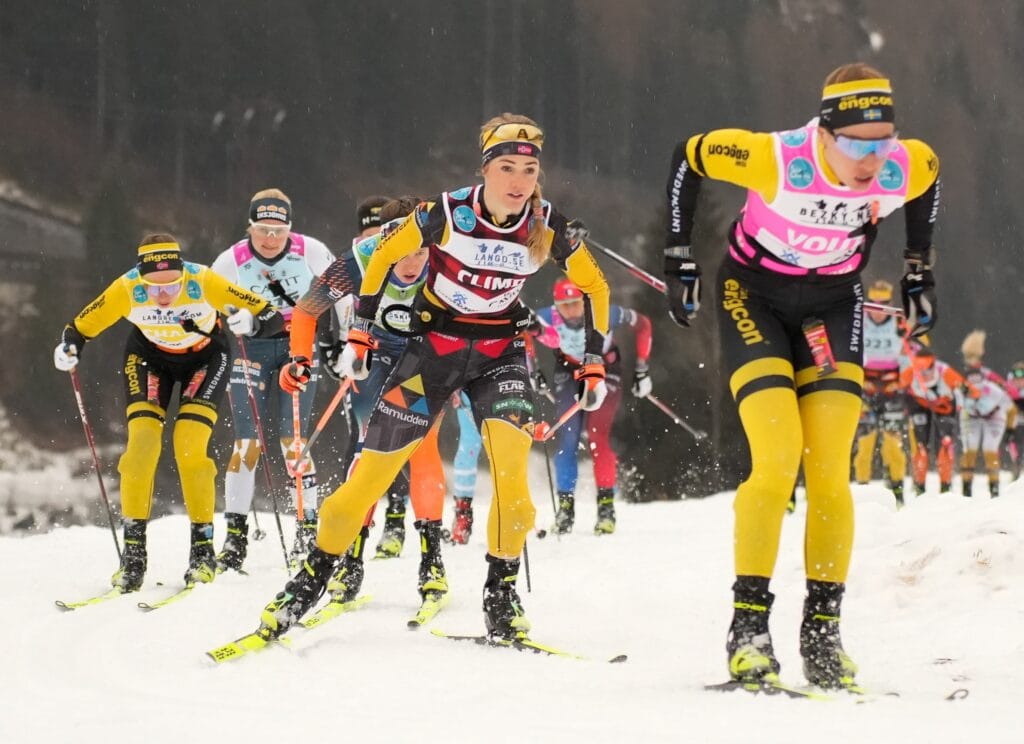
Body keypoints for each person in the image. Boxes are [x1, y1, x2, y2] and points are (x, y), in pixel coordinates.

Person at [257, 112, 610, 642]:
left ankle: (500, 594)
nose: (519, 183)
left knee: (516, 496)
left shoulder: (546, 224)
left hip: (500, 355)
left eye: (529, 171)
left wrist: (595, 360)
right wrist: (362, 332)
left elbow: (597, 288)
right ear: (485, 169)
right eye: (507, 168)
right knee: (367, 482)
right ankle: (312, 578)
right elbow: (378, 258)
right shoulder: (442, 213)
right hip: (433, 352)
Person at [664, 64, 940, 689]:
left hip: (833, 306)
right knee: (778, 455)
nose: (873, 160)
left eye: (883, 142)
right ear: (825, 132)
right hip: (753, 298)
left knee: (829, 468)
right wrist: (678, 255)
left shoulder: (904, 164)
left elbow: (930, 177)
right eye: (858, 144)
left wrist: (919, 268)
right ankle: (749, 628)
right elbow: (690, 156)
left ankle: (822, 632)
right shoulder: (774, 158)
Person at [53, 234, 281, 591]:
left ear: (182, 273)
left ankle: (203, 554)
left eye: (171, 285)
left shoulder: (203, 280)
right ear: (139, 277)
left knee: (189, 447)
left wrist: (252, 324)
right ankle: (133, 558)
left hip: (206, 358)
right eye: (152, 286)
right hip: (149, 358)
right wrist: (68, 349)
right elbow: (79, 329)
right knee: (141, 449)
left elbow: (271, 316)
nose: (162, 295)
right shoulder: (126, 288)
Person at [280, 196, 449, 610]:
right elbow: (306, 310)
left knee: (422, 447)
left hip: (425, 358)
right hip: (374, 354)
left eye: (420, 252)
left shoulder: (449, 256)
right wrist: (299, 359)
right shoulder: (360, 258)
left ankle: (432, 561)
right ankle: (351, 559)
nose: (411, 263)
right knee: (369, 449)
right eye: (401, 252)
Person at [210, 189, 337, 571]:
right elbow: (206, 305)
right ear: (250, 227)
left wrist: (344, 342)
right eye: (262, 230)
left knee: (291, 440)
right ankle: (234, 538)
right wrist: (226, 320)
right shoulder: (230, 261)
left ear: (290, 230)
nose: (270, 239)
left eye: (278, 231)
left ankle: (307, 528)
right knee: (246, 442)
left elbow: (345, 295)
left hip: (299, 349)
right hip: (252, 352)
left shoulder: (311, 251)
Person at [532, 276, 652, 535]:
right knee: (567, 440)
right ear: (555, 306)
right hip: (568, 370)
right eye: (564, 306)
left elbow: (643, 324)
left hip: (605, 369)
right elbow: (521, 332)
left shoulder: (604, 313)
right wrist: (533, 370)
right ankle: (566, 510)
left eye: (576, 304)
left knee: (598, 436)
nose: (571, 311)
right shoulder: (545, 317)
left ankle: (606, 508)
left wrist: (642, 368)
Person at [852, 280, 909, 505]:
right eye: (873, 304)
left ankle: (897, 491)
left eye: (883, 304)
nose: (877, 310)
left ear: (890, 302)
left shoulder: (899, 323)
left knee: (892, 445)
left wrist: (901, 381)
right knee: (864, 444)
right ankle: (863, 492)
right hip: (866, 387)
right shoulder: (861, 320)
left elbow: (914, 356)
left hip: (891, 388)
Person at [900, 346, 965, 494]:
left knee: (944, 444)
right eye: (920, 369)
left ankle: (945, 486)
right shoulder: (911, 372)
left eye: (928, 369)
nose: (924, 374)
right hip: (920, 406)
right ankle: (920, 486)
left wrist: (964, 394)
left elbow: (967, 387)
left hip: (945, 408)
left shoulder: (944, 371)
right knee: (921, 445)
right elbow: (897, 386)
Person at [957, 331, 1013, 497]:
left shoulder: (988, 375)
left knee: (990, 450)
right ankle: (966, 490)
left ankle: (994, 489)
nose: (969, 361)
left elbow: (1004, 393)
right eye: (967, 357)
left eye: (972, 357)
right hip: (973, 417)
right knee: (969, 451)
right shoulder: (964, 376)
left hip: (993, 416)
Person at [447, 390, 483, 544]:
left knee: (503, 450)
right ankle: (463, 513)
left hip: (502, 381)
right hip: (469, 382)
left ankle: (510, 511)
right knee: (467, 451)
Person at [1005, 362, 1024, 480]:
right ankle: (1016, 468)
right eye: (1016, 377)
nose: (1019, 380)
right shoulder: (1008, 387)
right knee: (1013, 445)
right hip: (1013, 423)